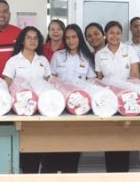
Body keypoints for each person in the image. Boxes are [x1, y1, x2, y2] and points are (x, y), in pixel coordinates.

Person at [44, 23, 94, 174]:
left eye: (74, 37)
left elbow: (91, 82)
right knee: (53, 147)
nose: (71, 40)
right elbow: (50, 78)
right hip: (59, 107)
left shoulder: (87, 58)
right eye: (68, 38)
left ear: (79, 38)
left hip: (78, 108)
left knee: (72, 147)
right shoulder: (58, 56)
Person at [2, 26, 51, 174]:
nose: (32, 40)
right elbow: (7, 83)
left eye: (35, 38)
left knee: (38, 146)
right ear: (22, 41)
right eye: (28, 37)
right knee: (23, 147)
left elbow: (48, 82)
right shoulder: (14, 61)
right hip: (20, 111)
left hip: (41, 112)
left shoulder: (42, 60)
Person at [94, 20, 140, 172]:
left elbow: (135, 74)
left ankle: (124, 173)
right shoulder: (100, 54)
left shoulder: (130, 50)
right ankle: (111, 173)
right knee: (110, 136)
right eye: (111, 33)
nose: (114, 36)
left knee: (124, 136)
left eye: (118, 33)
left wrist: (126, 92)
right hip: (109, 101)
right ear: (106, 35)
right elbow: (99, 78)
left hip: (127, 99)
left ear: (122, 35)